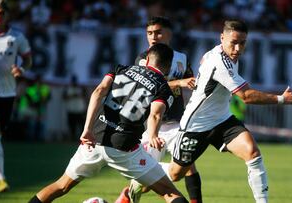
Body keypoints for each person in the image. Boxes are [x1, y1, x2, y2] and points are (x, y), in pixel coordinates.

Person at [28, 43, 189, 203]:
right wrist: (153, 135)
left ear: (147, 60)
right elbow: (155, 114)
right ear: (168, 67)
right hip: (125, 148)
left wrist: (87, 129)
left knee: (61, 186)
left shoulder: (121, 69)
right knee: (169, 192)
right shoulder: (163, 88)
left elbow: (99, 91)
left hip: (94, 139)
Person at [163, 20, 292, 203]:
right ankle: (146, 172)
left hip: (221, 120)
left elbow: (205, 61)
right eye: (233, 42)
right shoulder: (220, 62)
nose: (237, 48)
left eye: (242, 43)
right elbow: (246, 96)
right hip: (196, 125)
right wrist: (281, 99)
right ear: (222, 37)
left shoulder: (219, 54)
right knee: (175, 173)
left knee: (253, 153)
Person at [115, 16, 202, 203]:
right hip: (152, 124)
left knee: (188, 165)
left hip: (176, 122)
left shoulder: (181, 58)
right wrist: (179, 82)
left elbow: (189, 83)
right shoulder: (143, 59)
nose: (153, 36)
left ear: (169, 34)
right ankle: (127, 195)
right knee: (144, 180)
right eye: (149, 33)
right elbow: (151, 85)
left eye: (158, 32)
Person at [0, 0, 32, 192]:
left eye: (2, 13)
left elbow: (28, 59)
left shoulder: (16, 38)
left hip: (7, 92)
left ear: (7, 16)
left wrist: (21, 69)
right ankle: (0, 178)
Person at [62, 75, 87, 141]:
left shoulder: (81, 88)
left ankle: (82, 139)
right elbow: (64, 97)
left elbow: (86, 95)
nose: (74, 83)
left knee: (81, 126)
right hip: (71, 110)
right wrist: (72, 96)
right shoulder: (68, 88)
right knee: (72, 126)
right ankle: (72, 139)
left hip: (80, 110)